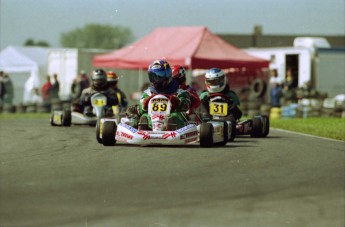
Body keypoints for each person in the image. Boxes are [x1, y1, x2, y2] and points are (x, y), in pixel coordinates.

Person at [134, 59, 191, 130]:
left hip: (171, 120)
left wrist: (178, 102)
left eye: (159, 76)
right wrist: (143, 105)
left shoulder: (178, 91)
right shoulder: (148, 93)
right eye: (153, 76)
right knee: (145, 116)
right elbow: (140, 108)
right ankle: (144, 127)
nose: (156, 79)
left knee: (176, 115)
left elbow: (186, 105)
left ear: (168, 75)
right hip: (153, 120)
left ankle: (170, 126)